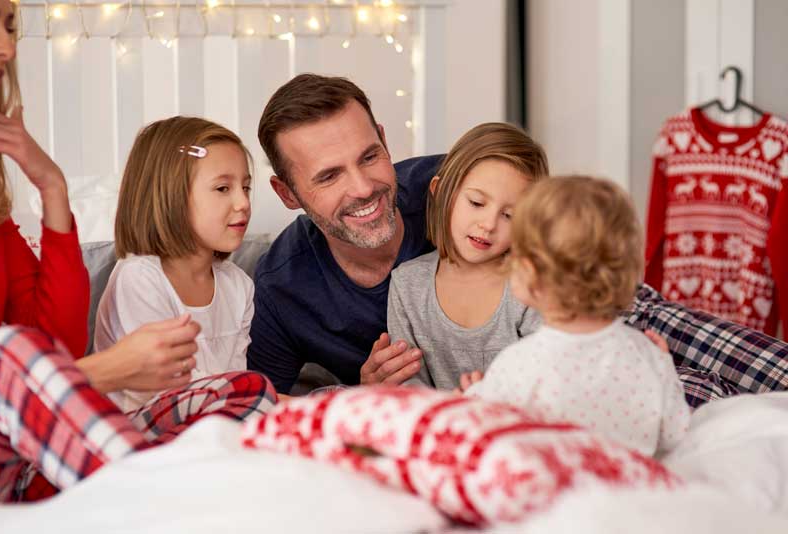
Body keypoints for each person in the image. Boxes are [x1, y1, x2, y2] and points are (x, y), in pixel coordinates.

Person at [249, 73, 787, 405]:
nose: (364, 187)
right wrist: (362, 397)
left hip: (606, 315)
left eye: (369, 156)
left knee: (757, 370)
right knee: (694, 401)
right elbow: (264, 411)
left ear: (385, 140)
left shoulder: (458, 185)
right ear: (288, 192)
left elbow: (565, 225)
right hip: (523, 390)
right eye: (328, 176)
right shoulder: (281, 287)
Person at [0, 0, 275, 502]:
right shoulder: (141, 277)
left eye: (11, 25)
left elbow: (54, 337)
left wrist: (53, 187)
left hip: (28, 455)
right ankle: (147, 491)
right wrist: (109, 370)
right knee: (7, 352)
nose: (7, 47)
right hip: (110, 440)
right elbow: (21, 362)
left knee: (254, 391)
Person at [463, 176, 691, 456]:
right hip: (632, 494)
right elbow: (675, 437)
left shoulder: (518, 364)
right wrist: (665, 368)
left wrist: (475, 396)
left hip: (559, 495)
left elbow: (485, 436)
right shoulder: (649, 356)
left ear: (529, 272)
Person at [94, 116, 256, 412]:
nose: (243, 202)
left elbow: (238, 388)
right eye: (223, 189)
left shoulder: (239, 285)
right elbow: (170, 396)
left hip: (213, 430)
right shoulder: (140, 278)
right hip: (144, 432)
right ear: (171, 196)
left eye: (245, 187)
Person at [387, 123, 546, 389]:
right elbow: (408, 386)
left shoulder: (530, 285)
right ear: (441, 193)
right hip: (440, 426)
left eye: (510, 215)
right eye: (476, 203)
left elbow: (546, 380)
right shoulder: (407, 285)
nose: (489, 224)